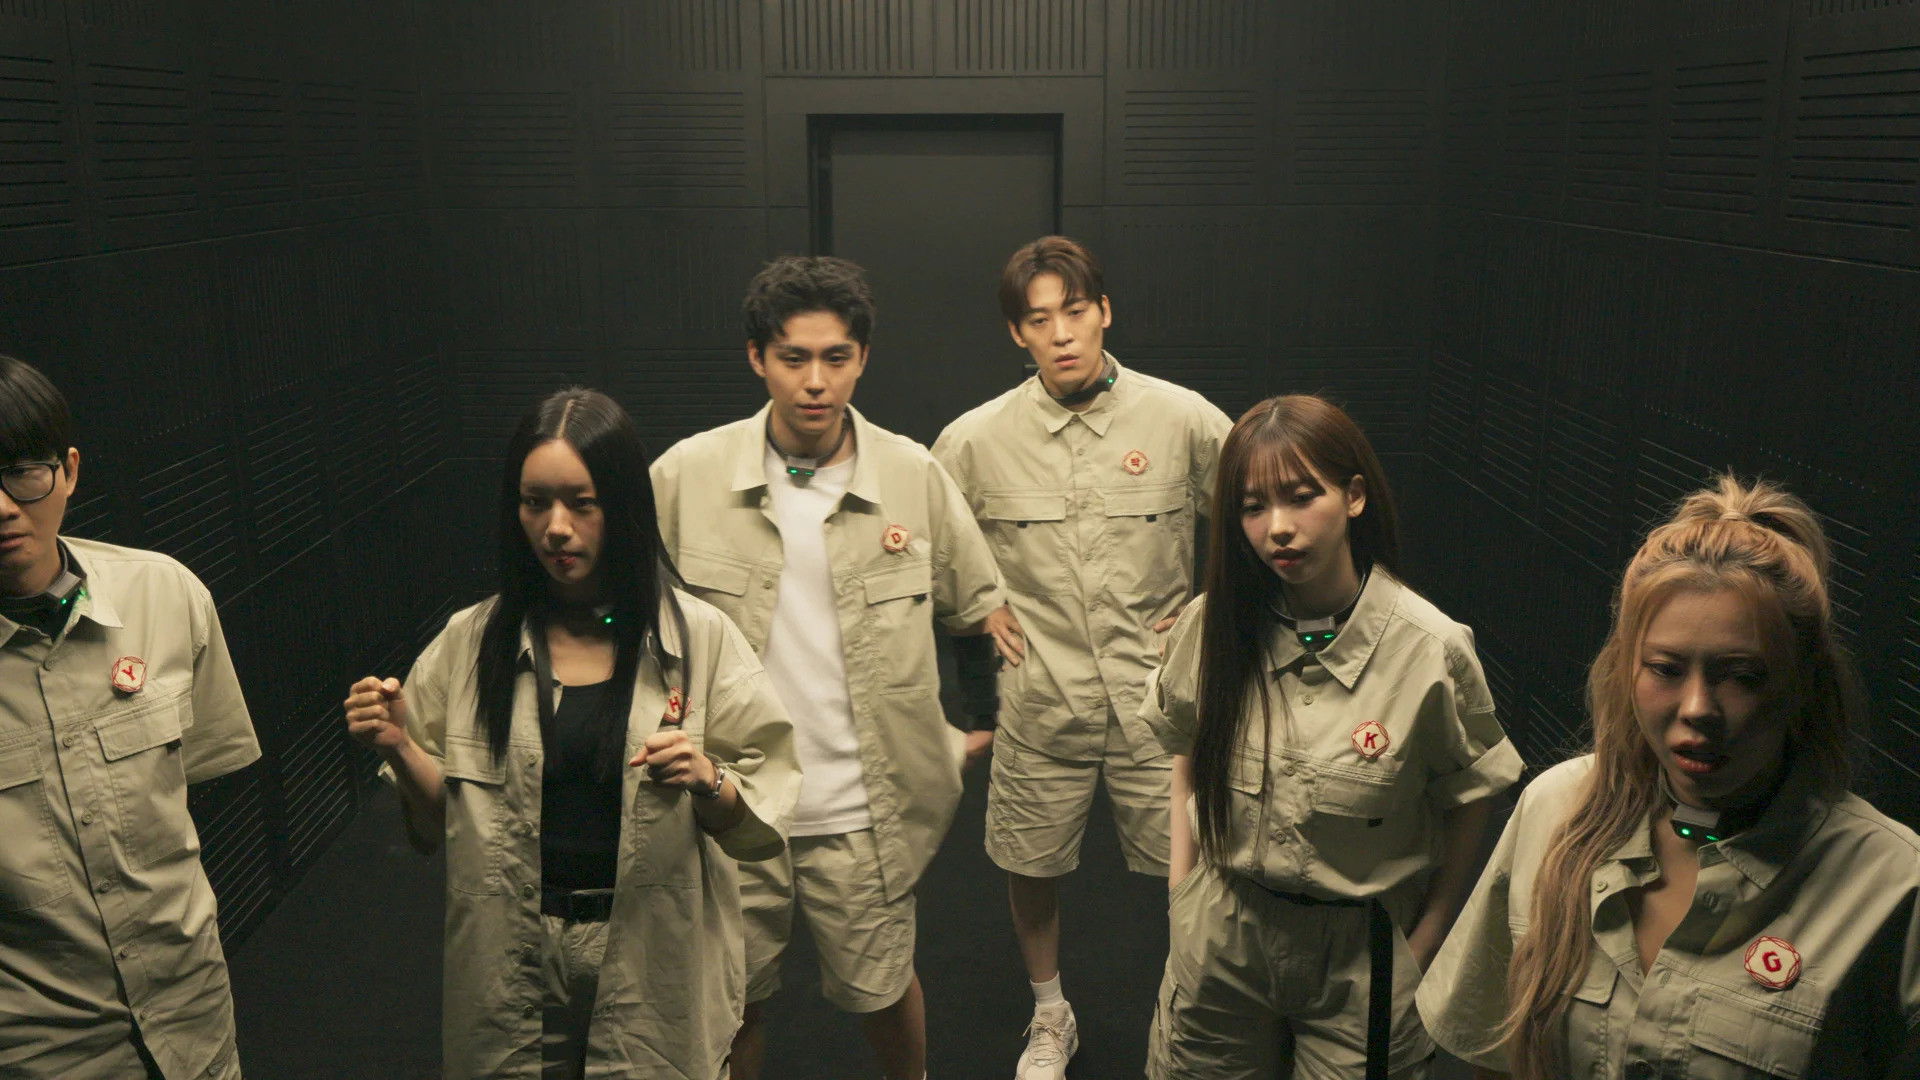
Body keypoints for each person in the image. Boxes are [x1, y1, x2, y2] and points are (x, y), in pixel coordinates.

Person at [344, 388, 800, 1079]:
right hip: (513, 951)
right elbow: (441, 824)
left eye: (582, 504)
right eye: (535, 503)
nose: (555, 528)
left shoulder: (699, 640)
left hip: (651, 950)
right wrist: (400, 748)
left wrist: (708, 779)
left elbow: (761, 820)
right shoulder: (471, 643)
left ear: (624, 507)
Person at [1417, 476, 1920, 1079]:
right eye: (1665, 669)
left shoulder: (1895, 888)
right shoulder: (1555, 810)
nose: (1698, 709)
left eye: (1742, 676)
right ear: (1627, 668)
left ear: (1802, 682)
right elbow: (1495, 1059)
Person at [649, 255, 1017, 1080]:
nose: (815, 382)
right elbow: (623, 617)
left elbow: (973, 609)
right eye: (794, 358)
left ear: (863, 358)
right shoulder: (683, 477)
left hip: (862, 809)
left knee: (882, 990)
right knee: (732, 1001)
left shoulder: (913, 475)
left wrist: (976, 725)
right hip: (730, 801)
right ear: (757, 357)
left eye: (836, 358)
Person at [1141, 394, 1522, 1079]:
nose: (1278, 529)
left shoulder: (1429, 649)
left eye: (1301, 496)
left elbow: (1471, 797)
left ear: (1353, 496)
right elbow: (1186, 758)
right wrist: (1182, 896)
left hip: (1361, 953)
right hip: (1224, 934)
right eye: (1253, 507)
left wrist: (1423, 947)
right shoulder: (1212, 626)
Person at [929, 235, 1231, 1078]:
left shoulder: (1182, 419)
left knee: (1194, 870)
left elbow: (1260, 513)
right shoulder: (975, 440)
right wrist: (978, 605)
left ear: (1104, 312)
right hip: (1041, 696)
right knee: (1030, 864)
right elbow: (926, 546)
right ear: (1016, 334)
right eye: (1038, 320)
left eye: (1074, 311)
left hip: (1159, 701)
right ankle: (1049, 1014)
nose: (1060, 333)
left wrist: (1211, 609)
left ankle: (1193, 1012)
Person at [0, 354, 261, 1079]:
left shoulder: (165, 594)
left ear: (69, 471)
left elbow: (201, 777)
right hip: (42, 1054)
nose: (3, 506)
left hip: (195, 1021)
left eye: (22, 472)